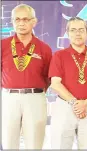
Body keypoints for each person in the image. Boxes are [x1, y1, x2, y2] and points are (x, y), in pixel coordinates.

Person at [49, 17, 87, 149]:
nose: (77, 33)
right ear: (67, 33)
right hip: (65, 106)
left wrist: (84, 104)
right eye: (73, 30)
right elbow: (55, 83)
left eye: (81, 30)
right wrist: (75, 103)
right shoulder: (59, 56)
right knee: (60, 146)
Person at [1, 4, 52, 149]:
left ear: (34, 21)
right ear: (13, 22)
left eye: (25, 19)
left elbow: (49, 77)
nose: (21, 23)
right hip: (8, 98)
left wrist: (35, 92)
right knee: (9, 142)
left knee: (34, 144)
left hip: (35, 98)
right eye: (17, 20)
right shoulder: (3, 45)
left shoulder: (44, 48)